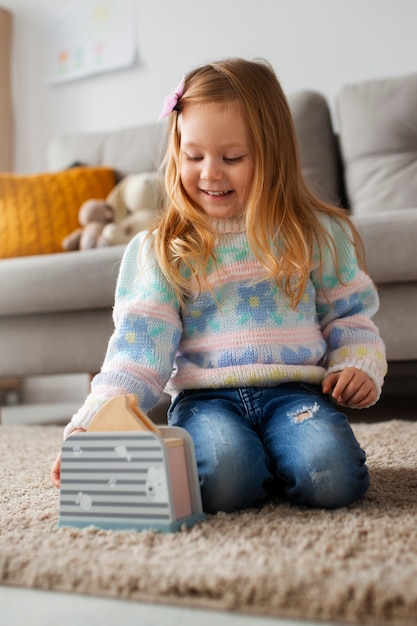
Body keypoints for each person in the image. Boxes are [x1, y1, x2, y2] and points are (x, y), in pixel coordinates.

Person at [51, 58, 387, 513]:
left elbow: (349, 314)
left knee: (331, 481)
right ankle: (259, 460)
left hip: (294, 394)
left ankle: (273, 455)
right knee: (227, 483)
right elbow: (138, 351)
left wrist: (358, 363)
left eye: (231, 158)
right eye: (193, 156)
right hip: (205, 402)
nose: (210, 173)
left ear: (272, 154)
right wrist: (94, 422)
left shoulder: (315, 233)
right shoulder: (163, 247)